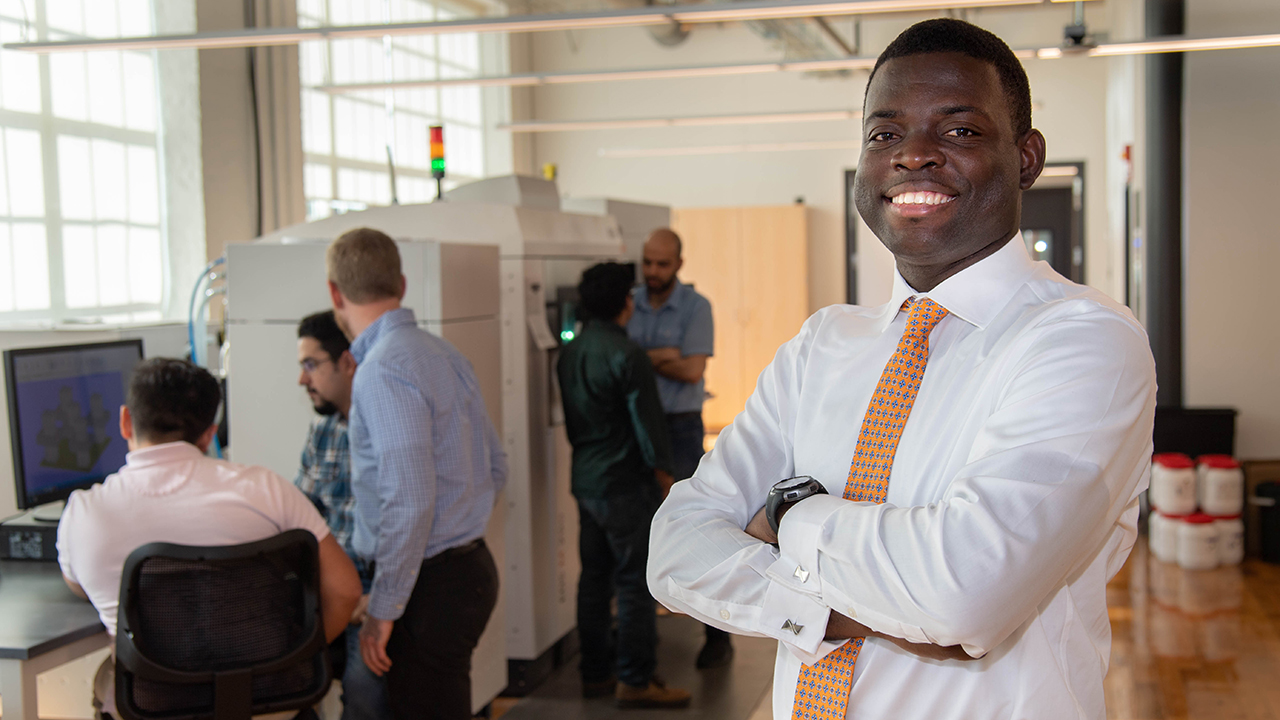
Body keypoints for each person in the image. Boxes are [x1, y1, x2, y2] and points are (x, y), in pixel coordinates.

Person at [647, 18, 1156, 720]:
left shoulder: (1084, 343)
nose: (914, 155)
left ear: (1027, 158)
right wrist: (848, 611)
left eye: (960, 131)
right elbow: (675, 553)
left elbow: (961, 593)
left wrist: (791, 513)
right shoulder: (824, 344)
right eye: (885, 134)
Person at [56, 358, 362, 719]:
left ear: (125, 421)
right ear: (209, 433)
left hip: (156, 706)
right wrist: (289, 657)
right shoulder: (266, 489)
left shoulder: (84, 512)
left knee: (103, 681)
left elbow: (77, 586)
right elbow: (345, 591)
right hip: (268, 703)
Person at [326, 227, 507, 720]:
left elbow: (409, 500)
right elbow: (496, 464)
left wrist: (385, 608)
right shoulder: (442, 353)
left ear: (335, 293)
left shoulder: (383, 369)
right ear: (401, 285)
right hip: (467, 570)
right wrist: (461, 527)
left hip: (426, 589)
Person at [556, 262, 691, 709]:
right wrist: (666, 475)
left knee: (592, 579)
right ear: (623, 303)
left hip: (586, 479)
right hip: (624, 483)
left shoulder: (570, 352)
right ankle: (635, 679)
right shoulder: (626, 353)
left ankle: (594, 674)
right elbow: (648, 425)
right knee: (633, 582)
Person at [625, 228, 730, 669]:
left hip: (681, 429)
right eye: (647, 263)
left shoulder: (695, 307)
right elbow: (629, 360)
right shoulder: (628, 299)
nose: (652, 272)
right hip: (635, 428)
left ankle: (718, 636)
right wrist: (663, 354)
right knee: (636, 528)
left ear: (679, 265)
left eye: (662, 264)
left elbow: (690, 370)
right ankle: (641, 632)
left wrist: (641, 356)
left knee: (699, 529)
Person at [294, 310, 390, 720]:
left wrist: (377, 598)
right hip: (331, 584)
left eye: (311, 365)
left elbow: (412, 522)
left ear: (347, 363)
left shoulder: (390, 426)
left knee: (364, 695)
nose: (302, 380)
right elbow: (301, 518)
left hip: (379, 587)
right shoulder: (324, 431)